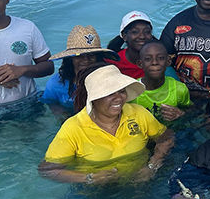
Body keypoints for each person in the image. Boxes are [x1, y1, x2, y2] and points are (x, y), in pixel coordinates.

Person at [39, 64, 175, 185]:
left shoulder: (138, 113)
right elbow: (47, 170)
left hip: (139, 181)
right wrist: (89, 178)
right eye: (109, 93)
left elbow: (166, 137)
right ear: (93, 98)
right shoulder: (73, 127)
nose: (118, 98)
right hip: (95, 191)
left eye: (121, 91)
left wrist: (153, 165)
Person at [41, 25, 118, 112]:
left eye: (91, 55)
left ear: (98, 57)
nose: (86, 60)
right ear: (70, 58)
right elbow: (52, 104)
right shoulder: (55, 84)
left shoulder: (110, 78)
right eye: (79, 55)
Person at [131, 41, 191, 123]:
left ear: (168, 61)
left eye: (161, 58)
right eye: (148, 59)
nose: (155, 62)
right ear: (140, 64)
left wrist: (181, 114)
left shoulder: (180, 89)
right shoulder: (133, 91)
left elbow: (190, 112)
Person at [107, 11, 155, 79]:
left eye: (147, 32)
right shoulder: (113, 63)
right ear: (124, 36)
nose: (142, 36)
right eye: (135, 32)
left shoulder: (159, 59)